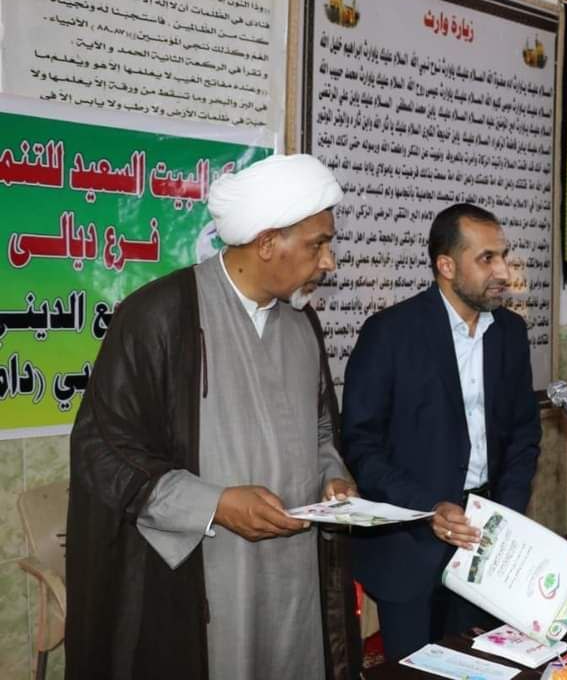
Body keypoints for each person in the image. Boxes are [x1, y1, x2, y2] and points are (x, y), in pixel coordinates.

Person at [65, 154, 362, 680]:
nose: (328, 262)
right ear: (267, 243)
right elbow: (103, 449)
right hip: (205, 576)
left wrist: (332, 475)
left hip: (296, 576)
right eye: (317, 245)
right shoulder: (160, 316)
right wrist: (215, 504)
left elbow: (320, 426)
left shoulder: (302, 324)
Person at [342, 203, 541, 660]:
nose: (503, 272)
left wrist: (505, 517)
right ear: (446, 266)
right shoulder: (390, 333)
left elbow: (523, 433)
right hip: (409, 544)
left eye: (503, 256)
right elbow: (361, 444)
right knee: (415, 669)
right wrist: (427, 508)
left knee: (481, 663)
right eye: (487, 258)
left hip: (486, 543)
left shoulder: (510, 332)